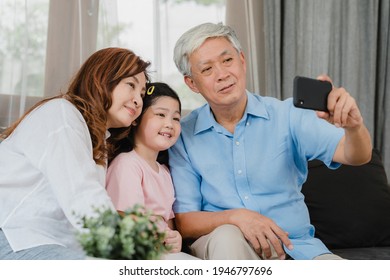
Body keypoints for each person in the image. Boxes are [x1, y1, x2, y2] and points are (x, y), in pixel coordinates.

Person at [168, 22, 372, 260]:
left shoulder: (288, 115)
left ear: (242, 61)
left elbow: (356, 155)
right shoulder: (183, 135)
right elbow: (185, 221)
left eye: (227, 61)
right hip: (227, 248)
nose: (222, 74)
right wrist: (236, 217)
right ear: (192, 83)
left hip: (296, 248)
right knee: (227, 237)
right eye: (207, 69)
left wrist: (354, 127)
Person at [0, 47, 150, 260]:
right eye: (131, 85)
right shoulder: (62, 114)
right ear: (102, 78)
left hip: (41, 240)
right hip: (13, 236)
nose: (138, 100)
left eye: (142, 94)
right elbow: (82, 195)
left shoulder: (95, 141)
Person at [106, 82, 198, 260]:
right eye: (161, 114)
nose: (169, 124)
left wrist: (175, 239)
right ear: (136, 119)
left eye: (176, 118)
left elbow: (168, 226)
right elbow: (125, 222)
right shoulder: (127, 165)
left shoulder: (164, 172)